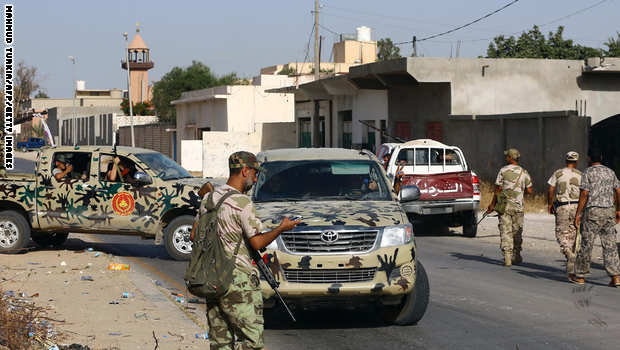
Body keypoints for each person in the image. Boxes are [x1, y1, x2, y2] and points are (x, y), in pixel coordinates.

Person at [202, 151, 300, 349]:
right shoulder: (243, 202)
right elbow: (257, 243)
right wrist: (281, 228)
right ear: (244, 170)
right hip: (238, 282)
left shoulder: (208, 199)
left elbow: (196, 236)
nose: (255, 180)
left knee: (220, 343)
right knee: (252, 342)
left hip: (212, 279)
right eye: (255, 174)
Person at [570, 148, 620, 287]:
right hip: (609, 211)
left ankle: (580, 276)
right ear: (602, 157)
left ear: (589, 158)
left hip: (593, 212)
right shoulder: (610, 172)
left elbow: (584, 194)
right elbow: (618, 190)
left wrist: (578, 213)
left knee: (587, 244)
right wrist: (618, 210)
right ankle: (615, 277)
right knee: (610, 245)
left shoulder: (588, 172)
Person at [487, 148, 533, 267]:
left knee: (505, 230)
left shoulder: (503, 171)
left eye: (507, 156)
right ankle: (516, 255)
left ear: (510, 158)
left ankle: (507, 257)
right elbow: (530, 190)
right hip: (518, 207)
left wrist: (492, 205)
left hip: (505, 206)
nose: (505, 158)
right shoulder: (524, 172)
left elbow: (498, 190)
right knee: (517, 231)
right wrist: (520, 192)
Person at [547, 151, 582, 275]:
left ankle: (568, 252)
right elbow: (585, 193)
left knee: (561, 233)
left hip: (562, 206)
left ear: (566, 161)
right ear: (576, 161)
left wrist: (550, 204)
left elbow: (551, 189)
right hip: (576, 206)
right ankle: (571, 265)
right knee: (573, 234)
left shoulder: (558, 173)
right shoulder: (580, 175)